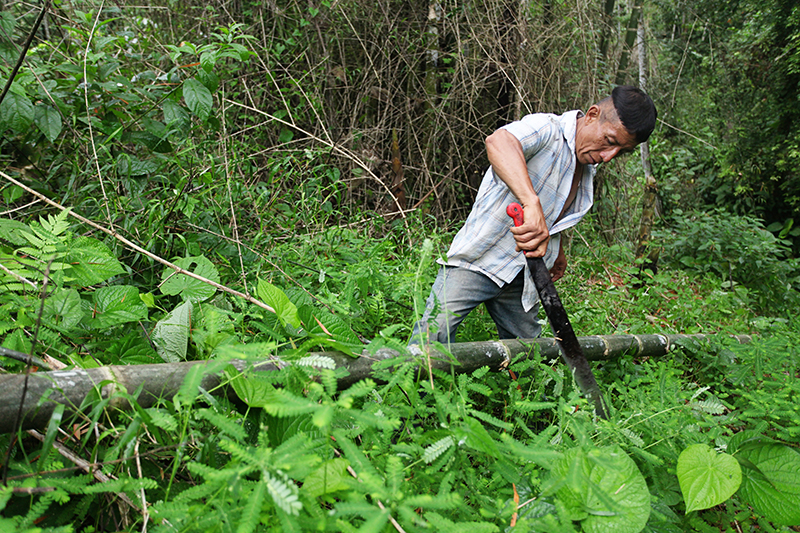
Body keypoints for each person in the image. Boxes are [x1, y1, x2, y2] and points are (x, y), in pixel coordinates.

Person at [411, 85, 657, 344]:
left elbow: (556, 209)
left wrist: (557, 247)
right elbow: (499, 142)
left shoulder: (586, 165)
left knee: (530, 358)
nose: (608, 157)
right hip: (480, 261)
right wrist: (530, 201)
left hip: (526, 277)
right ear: (593, 114)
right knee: (428, 343)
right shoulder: (547, 129)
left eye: (621, 152)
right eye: (609, 142)